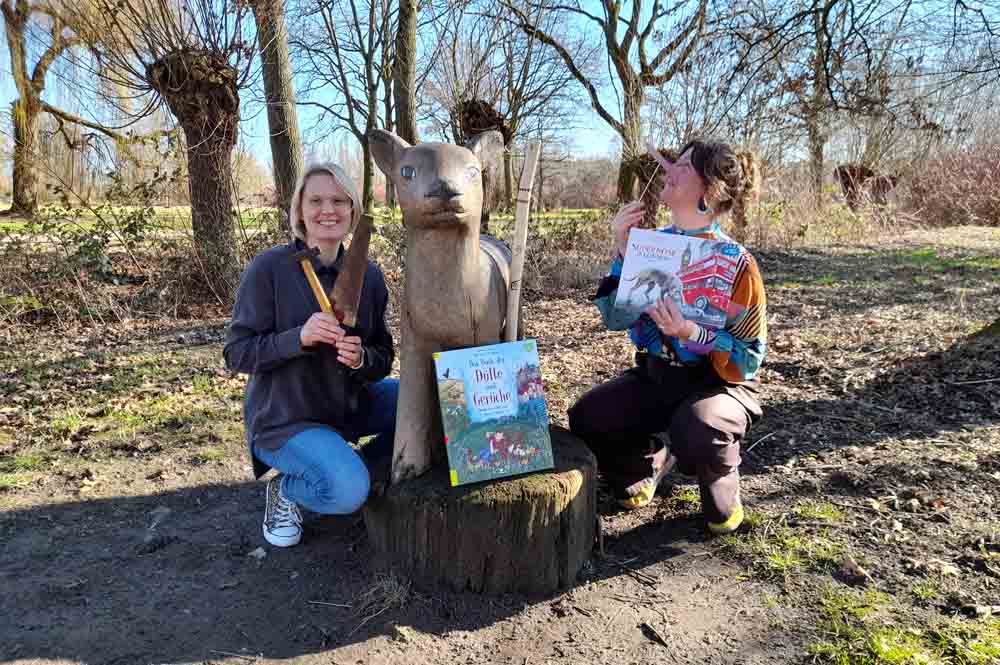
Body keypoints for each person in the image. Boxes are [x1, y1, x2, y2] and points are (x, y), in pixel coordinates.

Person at [568, 139, 767, 535]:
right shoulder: (649, 246)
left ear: (708, 192)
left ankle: (720, 483)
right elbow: (612, 317)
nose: (668, 170)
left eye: (682, 167)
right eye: (671, 163)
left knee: (697, 429)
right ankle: (650, 463)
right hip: (657, 376)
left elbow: (748, 359)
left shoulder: (738, 264)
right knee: (587, 418)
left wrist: (693, 333)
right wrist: (624, 251)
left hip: (719, 387)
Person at [224, 163, 397, 548]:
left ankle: (351, 466)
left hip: (348, 405)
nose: (328, 209)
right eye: (316, 200)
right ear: (299, 210)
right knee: (347, 492)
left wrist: (361, 359)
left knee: (428, 404)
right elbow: (236, 353)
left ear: (353, 210)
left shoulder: (367, 275)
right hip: (286, 418)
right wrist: (296, 338)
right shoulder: (269, 268)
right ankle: (289, 490)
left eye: (339, 200)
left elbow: (383, 355)